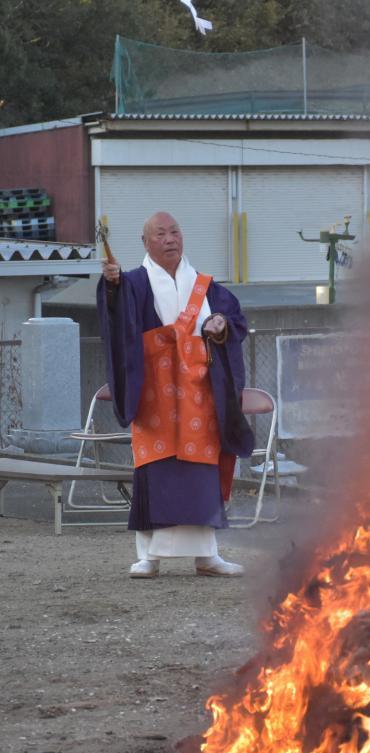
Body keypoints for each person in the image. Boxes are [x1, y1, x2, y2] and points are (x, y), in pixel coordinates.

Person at [98, 211, 254, 578]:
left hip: (199, 389)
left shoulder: (206, 286)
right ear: (146, 243)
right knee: (154, 468)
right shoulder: (133, 282)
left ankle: (207, 555)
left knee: (202, 471)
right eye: (160, 234)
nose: (170, 239)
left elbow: (235, 320)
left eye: (175, 232)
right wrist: (111, 286)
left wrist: (220, 326)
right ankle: (147, 556)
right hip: (154, 389)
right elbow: (117, 318)